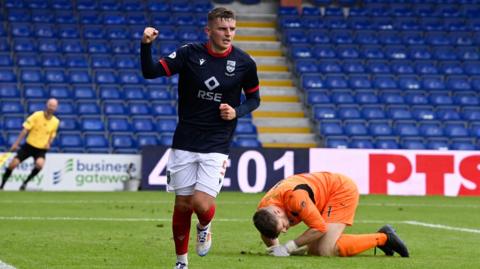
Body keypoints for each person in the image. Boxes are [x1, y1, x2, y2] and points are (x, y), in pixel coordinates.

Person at [141, 7, 261, 269]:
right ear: (209, 31)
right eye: (222, 29)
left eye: (232, 29)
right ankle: (181, 262)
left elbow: (254, 99)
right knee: (182, 204)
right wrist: (146, 46)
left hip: (217, 142)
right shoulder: (189, 54)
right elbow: (150, 71)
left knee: (200, 203)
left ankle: (205, 225)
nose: (228, 34)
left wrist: (236, 111)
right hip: (185, 139)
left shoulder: (244, 63)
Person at [253, 172, 410, 258]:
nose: (285, 230)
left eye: (283, 226)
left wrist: (288, 247)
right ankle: (382, 239)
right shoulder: (263, 210)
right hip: (318, 198)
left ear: (277, 211)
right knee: (314, 249)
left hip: (339, 191)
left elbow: (319, 228)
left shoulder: (296, 198)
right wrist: (275, 248)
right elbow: (267, 233)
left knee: (325, 250)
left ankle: (384, 237)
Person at [0, 98, 60, 191]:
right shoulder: (36, 115)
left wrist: (49, 143)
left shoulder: (56, 121)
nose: (51, 107)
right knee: (13, 164)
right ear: (46, 105)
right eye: (50, 105)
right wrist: (16, 143)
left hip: (41, 149)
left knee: (40, 165)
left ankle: (24, 183)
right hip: (28, 146)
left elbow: (52, 134)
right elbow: (25, 130)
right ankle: (2, 186)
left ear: (56, 108)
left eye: (53, 106)